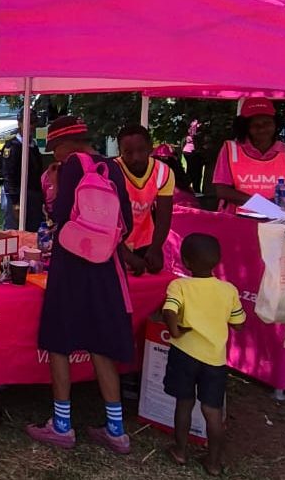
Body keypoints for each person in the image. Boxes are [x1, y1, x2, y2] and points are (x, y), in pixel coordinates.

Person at [27, 117, 135, 454]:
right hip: (105, 265)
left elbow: (59, 215)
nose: (55, 156)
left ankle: (62, 425)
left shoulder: (72, 166)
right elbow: (127, 223)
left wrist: (54, 187)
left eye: (54, 149)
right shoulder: (113, 167)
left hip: (71, 265)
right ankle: (116, 430)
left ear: (66, 144)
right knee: (100, 343)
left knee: (58, 340)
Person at [162, 233, 245, 476]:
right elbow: (239, 324)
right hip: (215, 360)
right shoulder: (229, 290)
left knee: (184, 403)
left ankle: (180, 451)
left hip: (184, 354)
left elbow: (169, 310)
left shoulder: (179, 286)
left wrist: (175, 330)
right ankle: (214, 463)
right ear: (217, 261)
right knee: (213, 411)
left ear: (186, 262)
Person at [212, 98, 285, 212]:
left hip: (276, 220)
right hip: (235, 218)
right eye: (255, 125)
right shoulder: (231, 149)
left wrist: (269, 209)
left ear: (276, 124)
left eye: (267, 123)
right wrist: (265, 207)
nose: (262, 129)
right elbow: (222, 191)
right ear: (245, 127)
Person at [114, 125, 174, 276]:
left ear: (150, 147)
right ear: (120, 152)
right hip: (115, 242)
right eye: (128, 152)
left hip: (145, 240)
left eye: (141, 150)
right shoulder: (112, 171)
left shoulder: (163, 172)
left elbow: (163, 218)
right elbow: (106, 222)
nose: (135, 157)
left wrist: (155, 248)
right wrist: (126, 255)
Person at [0, 108, 44, 231]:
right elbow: (8, 175)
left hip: (33, 195)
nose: (31, 126)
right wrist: (15, 202)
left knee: (32, 231)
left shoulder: (33, 146)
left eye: (33, 123)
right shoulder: (12, 146)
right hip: (16, 194)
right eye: (27, 123)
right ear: (19, 123)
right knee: (13, 231)